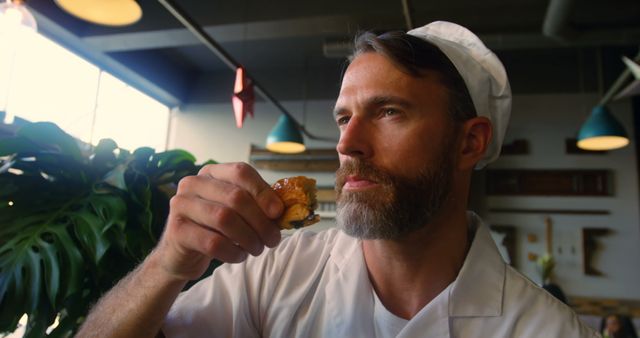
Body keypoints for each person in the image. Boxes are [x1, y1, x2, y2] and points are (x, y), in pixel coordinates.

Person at [76, 21, 599, 338]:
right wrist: (166, 266)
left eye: (389, 111)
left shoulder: (548, 329)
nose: (347, 144)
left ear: (470, 142)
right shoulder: (276, 273)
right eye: (344, 118)